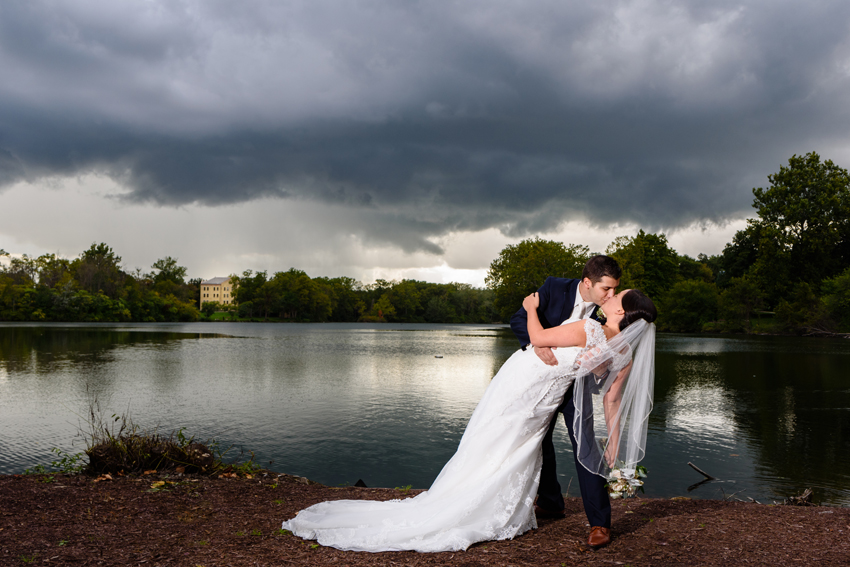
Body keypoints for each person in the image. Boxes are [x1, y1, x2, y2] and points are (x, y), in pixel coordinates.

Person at [280, 287, 657, 553]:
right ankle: (489, 502)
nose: (610, 297)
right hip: (527, 388)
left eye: (617, 298)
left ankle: (479, 502)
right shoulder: (622, 350)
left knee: (508, 446)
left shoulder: (590, 328)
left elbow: (538, 334)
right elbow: (612, 398)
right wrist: (615, 442)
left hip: (531, 390)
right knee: (502, 443)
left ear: (622, 312)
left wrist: (529, 307)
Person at [509, 255, 623, 548]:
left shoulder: (604, 316)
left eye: (614, 290)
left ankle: (600, 523)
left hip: (575, 386)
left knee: (584, 443)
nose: (611, 296)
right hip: (541, 382)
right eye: (606, 289)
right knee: (538, 440)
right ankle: (550, 502)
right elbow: (519, 319)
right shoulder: (554, 287)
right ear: (587, 283)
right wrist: (534, 346)